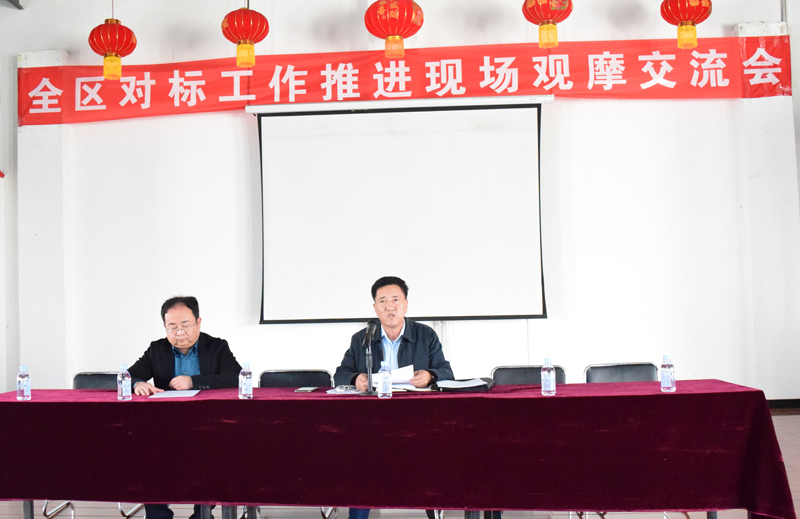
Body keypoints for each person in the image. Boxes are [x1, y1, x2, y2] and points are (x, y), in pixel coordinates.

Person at [334, 276, 454, 519]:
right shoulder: (362, 338)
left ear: (406, 304)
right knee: (361, 465)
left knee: (429, 463)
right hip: (372, 421)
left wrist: (430, 376)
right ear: (375, 307)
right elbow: (340, 374)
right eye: (383, 301)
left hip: (417, 419)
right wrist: (356, 378)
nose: (390, 306)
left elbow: (446, 372)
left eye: (396, 300)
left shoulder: (425, 335)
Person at [129, 295, 242, 519]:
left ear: (198, 322)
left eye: (185, 325)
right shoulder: (157, 349)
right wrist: (138, 383)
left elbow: (236, 377)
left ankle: (202, 515)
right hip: (166, 425)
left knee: (215, 457)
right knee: (146, 456)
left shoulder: (216, 347)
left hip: (208, 424)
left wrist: (194, 381)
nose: (179, 333)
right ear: (164, 327)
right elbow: (129, 375)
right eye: (172, 327)